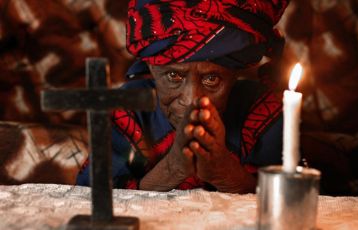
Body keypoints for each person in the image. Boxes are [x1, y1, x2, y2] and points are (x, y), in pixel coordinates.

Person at [77, 0, 290, 194]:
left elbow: (290, 201)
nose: (191, 100)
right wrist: (174, 167)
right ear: (152, 67)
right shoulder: (128, 109)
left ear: (235, 74)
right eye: (173, 76)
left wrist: (223, 171)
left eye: (212, 79)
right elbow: (89, 197)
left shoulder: (264, 111)